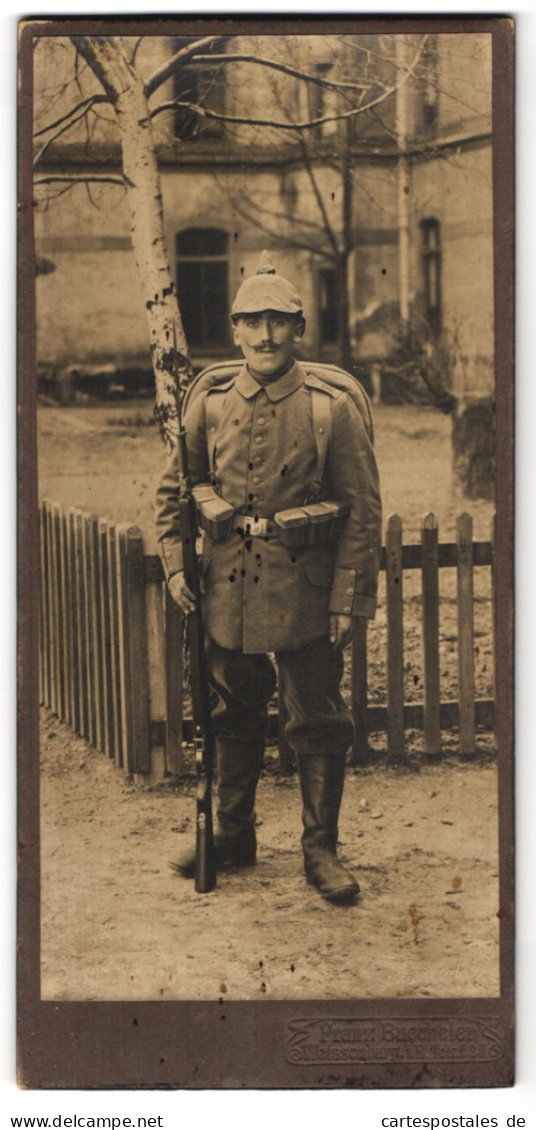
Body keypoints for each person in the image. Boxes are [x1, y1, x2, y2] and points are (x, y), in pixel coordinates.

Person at [156, 252, 382, 905]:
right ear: (234, 328)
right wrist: (176, 563)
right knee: (231, 712)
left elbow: (363, 512)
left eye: (278, 321)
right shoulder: (209, 401)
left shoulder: (329, 407)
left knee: (316, 718)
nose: (265, 334)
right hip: (226, 587)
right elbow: (174, 491)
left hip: (307, 592)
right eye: (252, 321)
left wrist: (347, 597)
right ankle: (231, 836)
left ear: (299, 327)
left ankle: (320, 851)